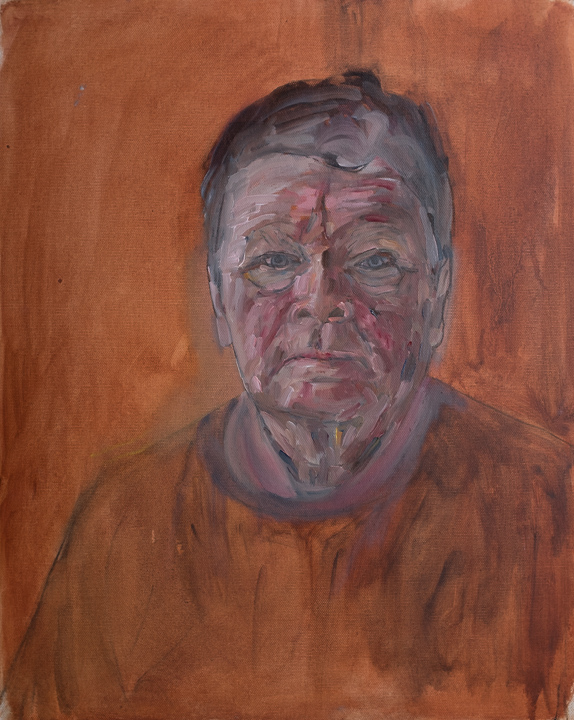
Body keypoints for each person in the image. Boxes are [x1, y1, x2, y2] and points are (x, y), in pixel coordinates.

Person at [2, 70, 574, 720]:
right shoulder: (122, 526)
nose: (321, 303)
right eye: (273, 262)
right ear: (219, 301)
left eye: (375, 260)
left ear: (437, 298)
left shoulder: (547, 507)